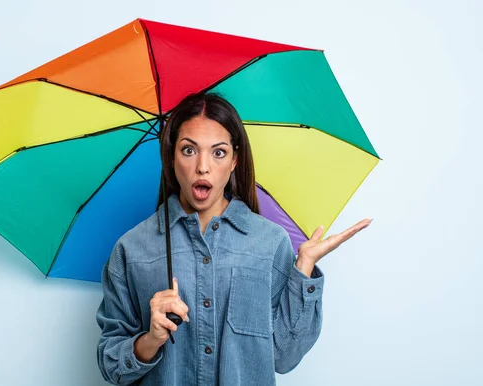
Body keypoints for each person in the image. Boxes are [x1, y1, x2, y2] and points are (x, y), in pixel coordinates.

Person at [96, 92, 371, 385]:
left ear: (234, 160)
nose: (203, 166)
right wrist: (151, 339)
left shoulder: (270, 242)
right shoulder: (132, 249)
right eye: (189, 150)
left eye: (218, 152)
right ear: (171, 158)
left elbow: (285, 356)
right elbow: (111, 366)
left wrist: (303, 267)